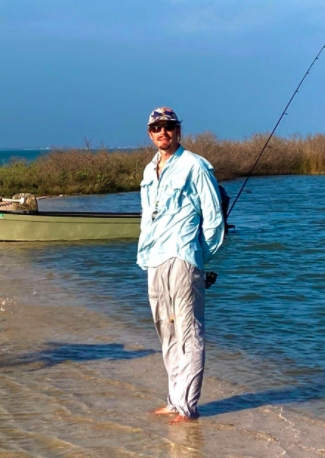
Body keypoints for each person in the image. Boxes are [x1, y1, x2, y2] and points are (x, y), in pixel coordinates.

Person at [137, 107, 225, 423]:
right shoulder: (149, 170)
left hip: (184, 257)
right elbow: (148, 216)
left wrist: (199, 255)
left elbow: (214, 219)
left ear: (179, 131)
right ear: (150, 133)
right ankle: (175, 401)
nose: (163, 132)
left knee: (189, 332)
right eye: (157, 127)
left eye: (169, 126)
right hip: (154, 259)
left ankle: (188, 407)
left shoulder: (195, 166)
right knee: (166, 332)